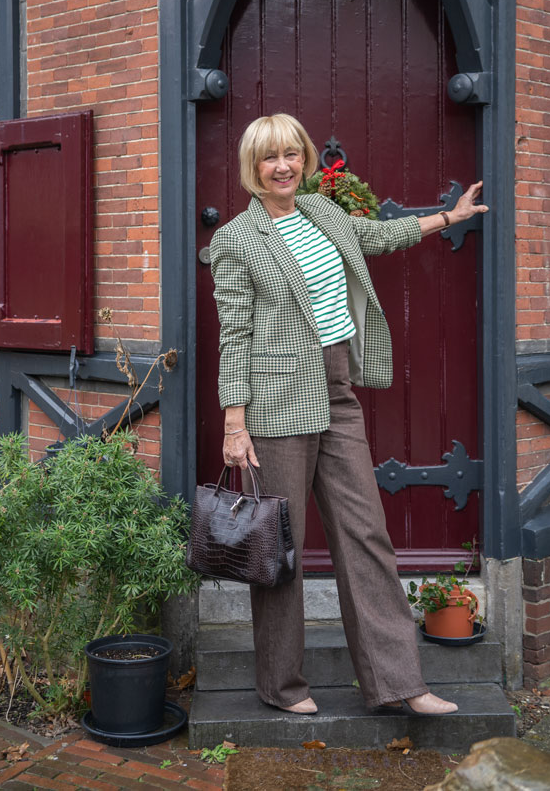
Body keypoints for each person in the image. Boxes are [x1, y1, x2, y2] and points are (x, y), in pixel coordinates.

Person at [209, 113, 489, 717]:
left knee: (367, 535)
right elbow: (235, 335)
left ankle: (399, 684)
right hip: (276, 403)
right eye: (269, 157)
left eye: (291, 153)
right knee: (281, 547)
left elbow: (379, 236)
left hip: (338, 392)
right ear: (252, 169)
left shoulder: (325, 212)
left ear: (305, 158)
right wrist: (236, 424)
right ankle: (281, 685)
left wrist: (449, 218)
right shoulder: (236, 239)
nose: (283, 166)